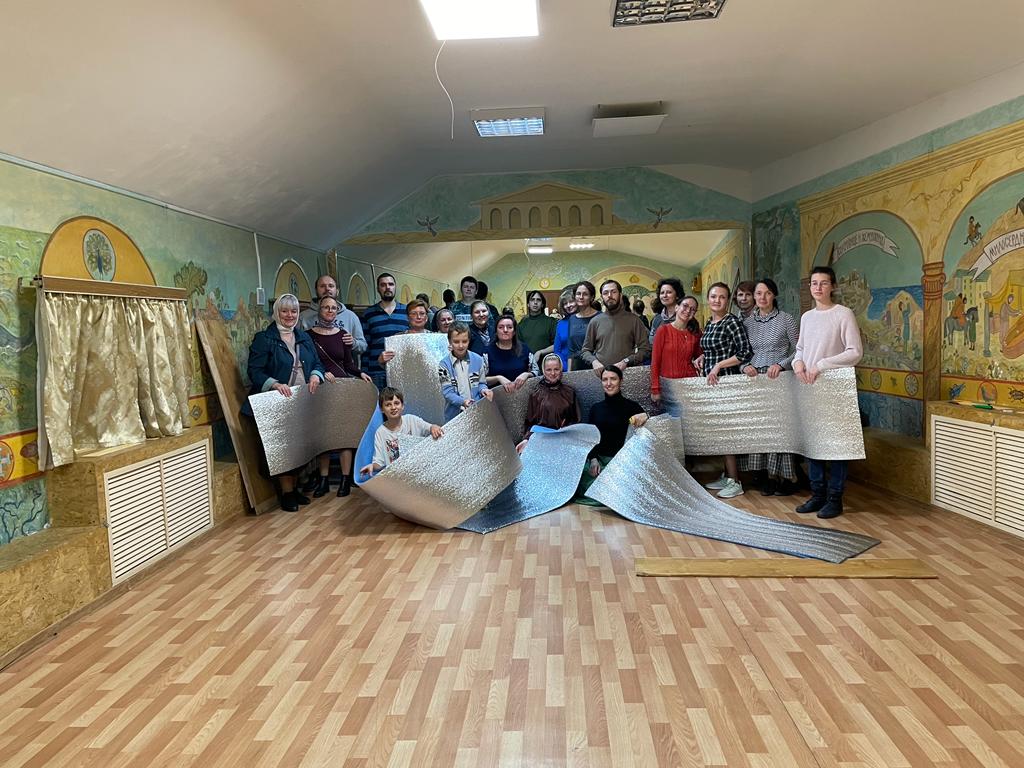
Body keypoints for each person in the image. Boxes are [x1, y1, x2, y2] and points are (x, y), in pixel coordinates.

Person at [241, 294, 325, 512]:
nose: (290, 315)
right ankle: (287, 493)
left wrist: (315, 375)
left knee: (298, 447)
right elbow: (254, 371)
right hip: (276, 403)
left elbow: (317, 363)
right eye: (285, 311)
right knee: (283, 448)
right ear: (277, 312)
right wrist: (274, 384)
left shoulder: (303, 337)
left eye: (294, 311)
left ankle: (295, 489)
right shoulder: (264, 339)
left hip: (301, 402)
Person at [793, 266, 864, 519]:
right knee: (814, 442)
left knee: (837, 444)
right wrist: (797, 363)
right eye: (814, 283)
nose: (818, 287)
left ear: (832, 286)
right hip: (811, 388)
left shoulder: (843, 314)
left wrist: (821, 365)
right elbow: (801, 349)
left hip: (835, 389)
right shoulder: (807, 317)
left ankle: (835, 498)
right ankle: (817, 494)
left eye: (823, 283)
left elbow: (855, 352)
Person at [308, 296, 374, 498]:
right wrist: (320, 372)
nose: (330, 311)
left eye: (333, 308)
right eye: (326, 307)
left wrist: (359, 373)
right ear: (319, 310)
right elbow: (307, 362)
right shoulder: (308, 336)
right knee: (324, 436)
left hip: (342, 388)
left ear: (337, 312)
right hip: (321, 389)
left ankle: (345, 479)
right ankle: (324, 479)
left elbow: (348, 364)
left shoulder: (343, 335)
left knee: (345, 435)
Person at [739, 278, 800, 496]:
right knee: (758, 428)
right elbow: (741, 353)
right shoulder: (747, 323)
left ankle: (786, 476)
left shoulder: (786, 319)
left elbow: (799, 350)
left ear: (774, 295)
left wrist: (781, 365)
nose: (762, 297)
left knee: (779, 428)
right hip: (755, 381)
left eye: (767, 293)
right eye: (758, 293)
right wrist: (744, 366)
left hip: (779, 379)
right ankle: (763, 476)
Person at [701, 282, 753, 500]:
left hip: (727, 383)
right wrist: (702, 357)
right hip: (712, 385)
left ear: (728, 300)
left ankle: (735, 482)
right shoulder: (709, 323)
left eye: (722, 297)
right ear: (708, 299)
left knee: (726, 432)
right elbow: (711, 349)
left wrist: (719, 365)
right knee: (718, 431)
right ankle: (727, 475)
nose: (717, 300)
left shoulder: (731, 322)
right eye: (713, 296)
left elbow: (745, 352)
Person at [577, 366, 649, 500]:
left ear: (621, 381)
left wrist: (647, 416)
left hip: (623, 463)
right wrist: (593, 459)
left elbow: (648, 435)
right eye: (605, 380)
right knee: (584, 484)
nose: (609, 383)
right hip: (600, 462)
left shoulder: (632, 407)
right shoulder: (596, 408)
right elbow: (590, 437)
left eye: (613, 379)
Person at [359, 387, 444, 478]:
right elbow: (379, 462)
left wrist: (433, 427)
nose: (393, 407)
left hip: (420, 472)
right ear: (381, 409)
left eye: (396, 403)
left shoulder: (411, 420)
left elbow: (429, 427)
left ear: (402, 406)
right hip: (398, 477)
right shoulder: (380, 432)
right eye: (388, 405)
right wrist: (372, 466)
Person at [579, 279, 651, 371]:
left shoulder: (634, 320)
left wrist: (627, 361)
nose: (609, 295)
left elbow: (645, 350)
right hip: (602, 375)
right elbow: (585, 351)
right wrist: (594, 361)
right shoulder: (595, 322)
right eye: (605, 293)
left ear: (620, 295)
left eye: (613, 292)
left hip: (626, 374)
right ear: (602, 297)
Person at [517, 353, 580, 453]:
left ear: (561, 369)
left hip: (564, 442)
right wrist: (526, 439)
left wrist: (566, 430)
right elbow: (530, 422)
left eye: (556, 369)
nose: (553, 373)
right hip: (541, 443)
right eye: (549, 370)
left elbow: (576, 421)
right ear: (543, 371)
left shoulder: (569, 392)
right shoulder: (536, 394)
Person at [299, 274, 367, 359]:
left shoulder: (350, 316)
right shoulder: (303, 317)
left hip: (343, 365)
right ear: (316, 290)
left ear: (337, 291)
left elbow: (363, 346)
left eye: (331, 286)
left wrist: (353, 343)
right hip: (314, 365)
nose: (327, 289)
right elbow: (297, 346)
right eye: (322, 286)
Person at [650, 294, 702, 404]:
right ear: (676, 307)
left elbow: (700, 356)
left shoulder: (695, 333)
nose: (688, 311)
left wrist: (702, 356)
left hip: (690, 384)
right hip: (669, 387)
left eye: (692, 309)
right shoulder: (663, 330)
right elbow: (655, 362)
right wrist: (655, 388)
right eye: (685, 306)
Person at [438, 323, 493, 422]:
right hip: (454, 416)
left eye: (464, 341)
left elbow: (481, 383)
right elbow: (448, 392)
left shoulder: (478, 359)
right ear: (449, 341)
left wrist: (484, 390)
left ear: (469, 340)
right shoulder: (444, 364)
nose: (460, 345)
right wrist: (463, 402)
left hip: (476, 412)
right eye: (456, 342)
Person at [362, 273, 408, 388]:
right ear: (378, 289)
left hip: (402, 371)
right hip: (376, 372)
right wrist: (364, 371)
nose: (387, 287)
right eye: (383, 285)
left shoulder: (407, 311)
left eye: (390, 284)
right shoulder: (368, 313)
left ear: (395, 287)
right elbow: (365, 346)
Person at [375, 298, 431, 375]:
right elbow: (392, 368)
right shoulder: (397, 339)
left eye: (422, 313)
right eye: (414, 313)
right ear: (408, 317)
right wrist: (381, 361)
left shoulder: (435, 339)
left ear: (426, 318)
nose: (418, 317)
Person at [486, 315, 538, 392]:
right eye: (501, 327)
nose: (505, 330)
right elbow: (481, 380)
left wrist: (527, 374)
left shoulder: (524, 349)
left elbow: (537, 372)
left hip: (522, 394)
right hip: (496, 396)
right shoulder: (487, 352)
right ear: (496, 331)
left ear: (514, 332)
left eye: (509, 327)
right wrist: (498, 378)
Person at [567, 281, 600, 371]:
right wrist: (569, 372)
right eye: (578, 294)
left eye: (585, 294)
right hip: (577, 366)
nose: (581, 297)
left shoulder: (600, 317)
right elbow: (570, 349)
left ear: (592, 297)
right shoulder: (572, 319)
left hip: (596, 365)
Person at [518, 290, 559, 360]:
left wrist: (541, 352)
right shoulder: (522, 324)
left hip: (546, 363)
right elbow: (518, 346)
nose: (535, 302)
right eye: (532, 300)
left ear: (542, 304)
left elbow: (557, 345)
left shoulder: (551, 322)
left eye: (538, 300)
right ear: (528, 304)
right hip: (526, 363)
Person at [649, 278, 684, 343]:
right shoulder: (657, 319)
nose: (664, 295)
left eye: (669, 292)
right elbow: (651, 342)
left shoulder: (685, 317)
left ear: (677, 295)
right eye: (662, 293)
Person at [551, 293, 577, 369]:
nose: (568, 305)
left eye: (571, 301)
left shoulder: (585, 320)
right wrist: (565, 368)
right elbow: (557, 350)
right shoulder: (560, 324)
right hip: (564, 367)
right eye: (565, 303)